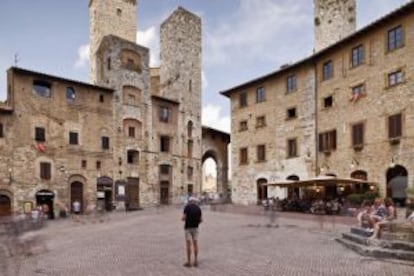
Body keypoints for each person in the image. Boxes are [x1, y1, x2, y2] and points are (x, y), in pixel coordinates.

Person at [182, 196, 202, 267]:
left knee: (188, 244)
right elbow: (201, 220)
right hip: (196, 228)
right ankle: (196, 261)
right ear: (195, 201)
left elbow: (184, 218)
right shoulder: (198, 208)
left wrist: (183, 219)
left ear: (190, 201)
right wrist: (196, 222)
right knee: (195, 244)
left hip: (188, 228)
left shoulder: (187, 207)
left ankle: (189, 262)